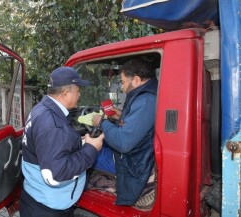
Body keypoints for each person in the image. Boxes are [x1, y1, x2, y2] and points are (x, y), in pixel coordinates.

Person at [20, 66, 105, 216]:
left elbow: (51, 145)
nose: (79, 95)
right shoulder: (52, 122)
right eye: (77, 91)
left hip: (37, 198)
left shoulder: (41, 109)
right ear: (66, 94)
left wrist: (80, 142)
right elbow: (55, 175)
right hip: (48, 208)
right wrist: (91, 148)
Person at [92, 58, 158, 206]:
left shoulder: (146, 99)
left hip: (133, 163)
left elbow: (123, 143)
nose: (122, 87)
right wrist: (121, 116)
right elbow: (142, 124)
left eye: (123, 82)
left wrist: (101, 123)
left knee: (89, 153)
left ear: (135, 80)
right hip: (138, 153)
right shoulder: (147, 96)